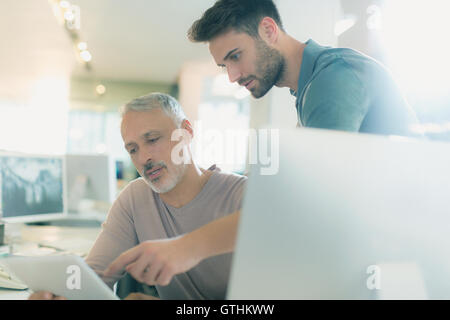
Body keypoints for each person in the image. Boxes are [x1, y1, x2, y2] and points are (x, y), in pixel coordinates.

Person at [30, 93, 246, 300]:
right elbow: (96, 277)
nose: (143, 158)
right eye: (132, 150)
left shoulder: (242, 194)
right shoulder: (135, 198)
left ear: (186, 132)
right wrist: (61, 295)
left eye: (152, 140)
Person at [188, 0, 421, 137]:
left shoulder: (331, 77)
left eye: (236, 56)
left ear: (268, 31)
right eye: (224, 66)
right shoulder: (309, 87)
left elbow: (321, 184)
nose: (232, 76)